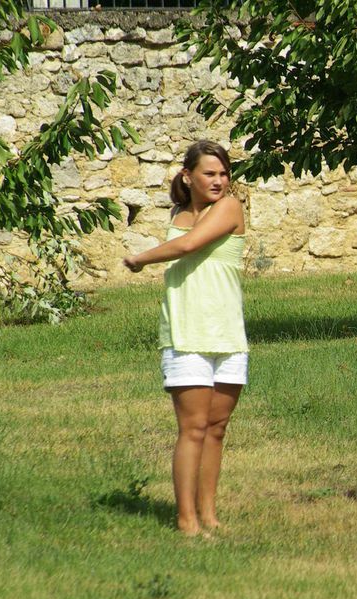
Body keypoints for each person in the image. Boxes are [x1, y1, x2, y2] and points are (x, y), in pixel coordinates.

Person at [123, 140, 247, 537]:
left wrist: (142, 258)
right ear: (187, 176)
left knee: (217, 428)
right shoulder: (176, 214)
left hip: (228, 333)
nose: (219, 180)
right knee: (193, 428)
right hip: (186, 332)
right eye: (210, 173)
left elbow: (192, 244)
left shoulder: (229, 208)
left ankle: (209, 515)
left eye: (224, 173)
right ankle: (186, 520)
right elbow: (184, 240)